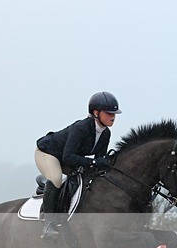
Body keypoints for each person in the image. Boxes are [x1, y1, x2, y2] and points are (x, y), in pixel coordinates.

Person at [34, 91, 121, 239]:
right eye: (109, 113)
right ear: (96, 113)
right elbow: (68, 156)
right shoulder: (81, 128)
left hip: (67, 158)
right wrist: (93, 162)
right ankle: (48, 224)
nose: (113, 117)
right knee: (56, 177)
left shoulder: (105, 133)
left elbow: (99, 160)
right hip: (47, 154)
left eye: (114, 113)